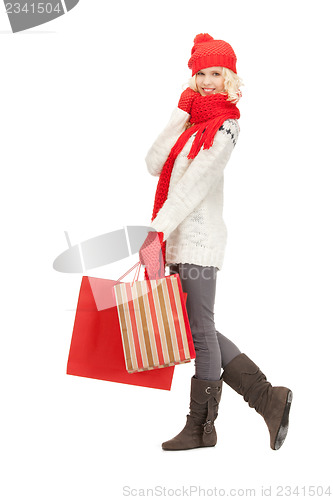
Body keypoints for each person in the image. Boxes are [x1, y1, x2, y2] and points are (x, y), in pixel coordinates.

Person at [139, 33, 292, 451]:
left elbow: (193, 186)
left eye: (216, 73)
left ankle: (201, 427)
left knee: (200, 332)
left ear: (229, 77)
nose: (207, 81)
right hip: (177, 239)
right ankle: (266, 397)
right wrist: (179, 113)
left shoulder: (226, 126)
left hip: (198, 241)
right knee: (195, 328)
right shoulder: (191, 122)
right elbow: (154, 164)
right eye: (201, 73)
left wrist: (156, 232)